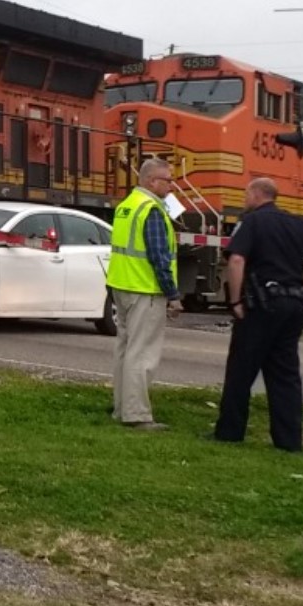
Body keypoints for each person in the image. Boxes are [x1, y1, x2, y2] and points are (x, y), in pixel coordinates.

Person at [211, 177, 303, 452]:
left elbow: (236, 259)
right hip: (293, 306)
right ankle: (289, 440)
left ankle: (230, 432)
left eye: (247, 194)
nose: (245, 199)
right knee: (285, 375)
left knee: (241, 371)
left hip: (261, 306)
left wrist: (234, 301)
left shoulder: (253, 222)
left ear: (256, 194)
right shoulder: (299, 224)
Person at [105, 157, 183, 430]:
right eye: (168, 180)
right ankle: (137, 414)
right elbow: (159, 256)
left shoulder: (127, 205)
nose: (172, 186)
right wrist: (172, 294)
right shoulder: (151, 210)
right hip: (145, 290)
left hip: (121, 286)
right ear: (152, 181)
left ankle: (121, 408)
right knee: (142, 354)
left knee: (125, 351)